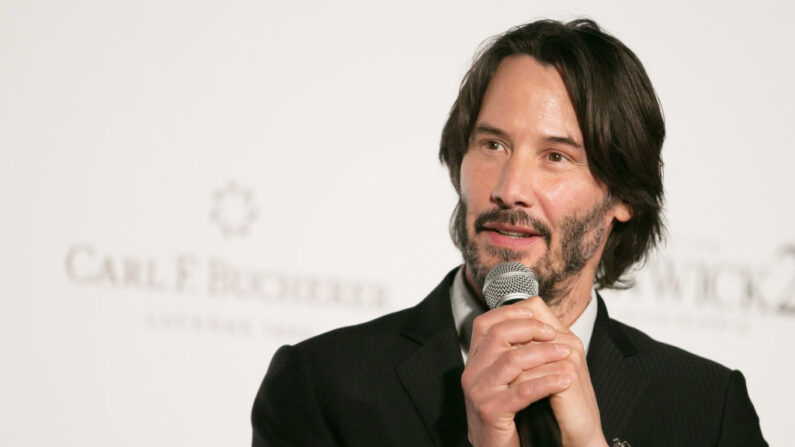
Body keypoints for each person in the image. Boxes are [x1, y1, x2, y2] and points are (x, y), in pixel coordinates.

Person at [251, 19, 767, 446]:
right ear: (459, 160)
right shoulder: (321, 386)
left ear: (624, 197)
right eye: (492, 145)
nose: (510, 188)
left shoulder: (706, 411)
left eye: (556, 157)